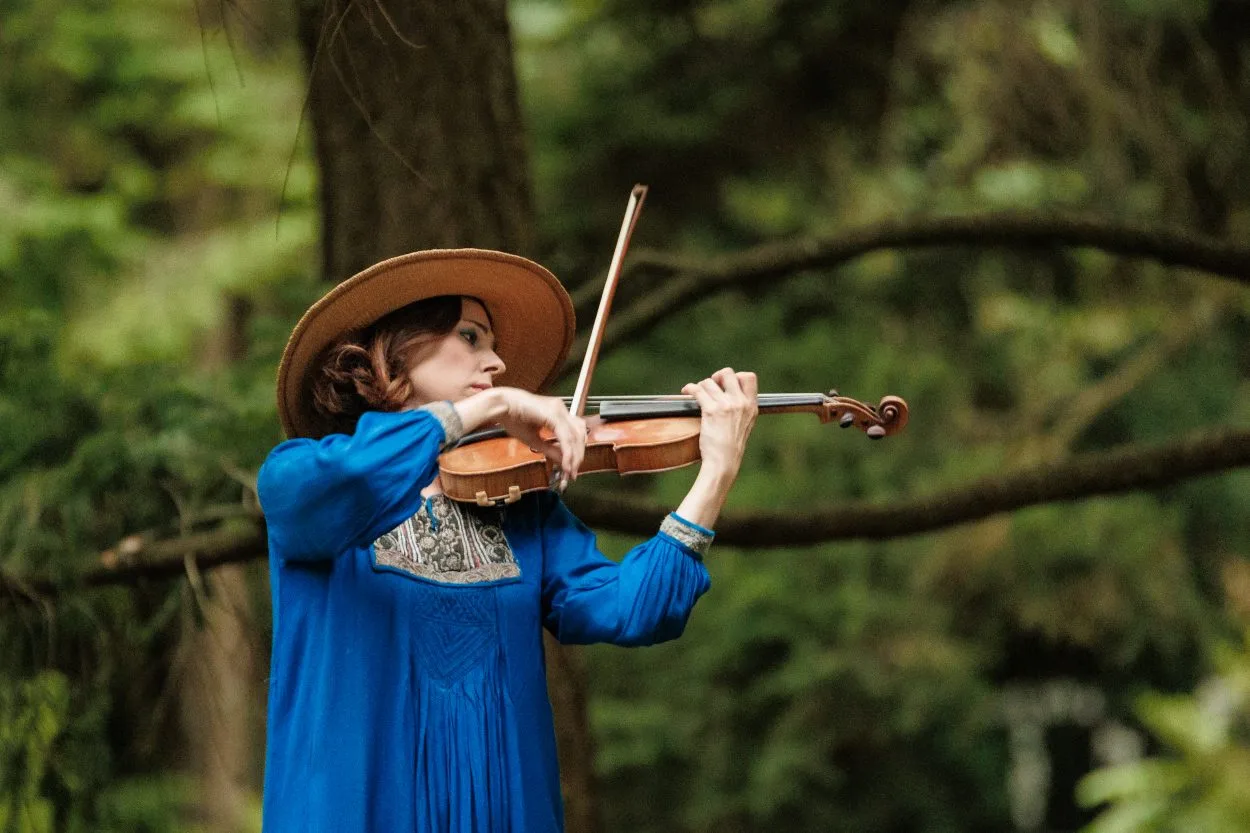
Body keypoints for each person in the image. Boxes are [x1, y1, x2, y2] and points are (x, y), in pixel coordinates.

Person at [258, 248, 757, 833]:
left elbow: (632, 610)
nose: (496, 362)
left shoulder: (521, 509)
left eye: (491, 346)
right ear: (396, 347)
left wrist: (715, 475)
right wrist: (489, 405)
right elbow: (350, 479)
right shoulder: (301, 475)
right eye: (471, 336)